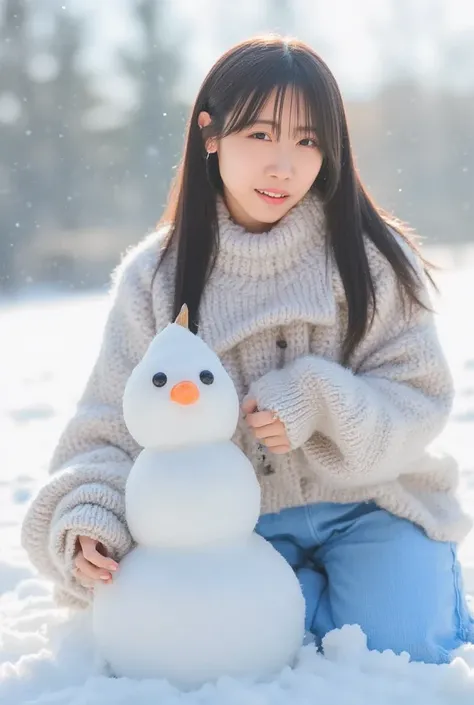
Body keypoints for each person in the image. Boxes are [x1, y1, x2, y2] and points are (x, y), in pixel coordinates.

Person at [21, 35, 473, 665]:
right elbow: (109, 429)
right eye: (261, 135)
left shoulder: (370, 257)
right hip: (234, 532)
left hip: (375, 505)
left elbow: (418, 399)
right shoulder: (155, 277)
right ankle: (317, 601)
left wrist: (318, 399)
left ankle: (377, 588)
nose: (283, 165)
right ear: (210, 133)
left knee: (405, 645)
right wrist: (90, 518)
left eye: (308, 141)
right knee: (234, 647)